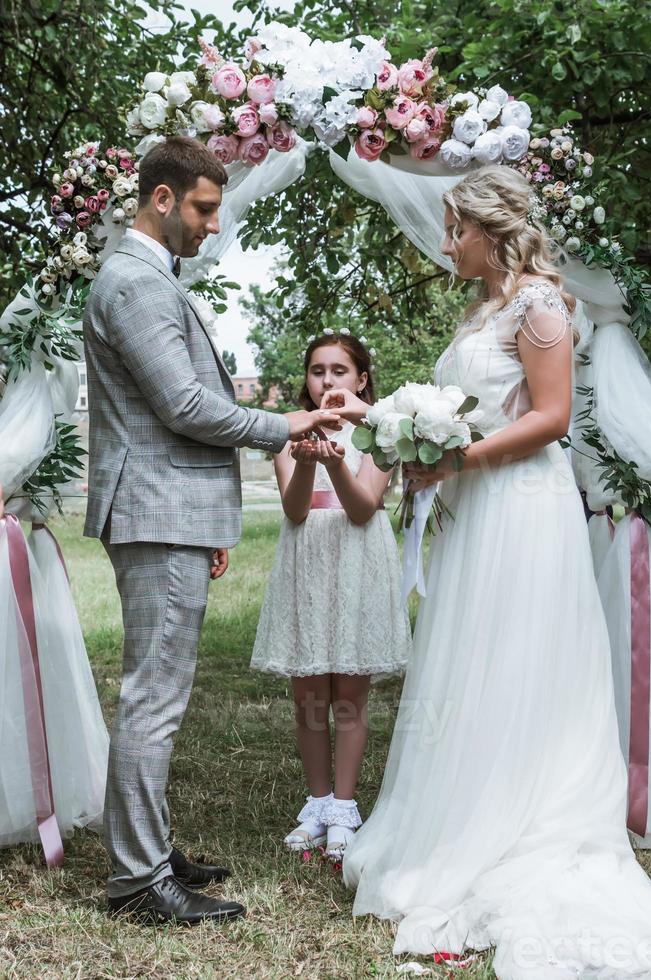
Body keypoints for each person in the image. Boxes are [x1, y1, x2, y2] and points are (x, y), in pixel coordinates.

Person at [323, 166, 651, 977]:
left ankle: (518, 821)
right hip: (478, 510)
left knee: (516, 661)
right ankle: (460, 812)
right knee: (472, 663)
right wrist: (404, 433)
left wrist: (454, 455)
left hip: (523, 511)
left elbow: (550, 419)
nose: (445, 244)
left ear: (491, 229)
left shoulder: (541, 306)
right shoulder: (485, 310)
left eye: (455, 230)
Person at [83, 136, 341, 925]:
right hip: (155, 509)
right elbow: (186, 407)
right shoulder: (134, 283)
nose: (211, 225)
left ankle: (151, 851)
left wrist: (209, 521)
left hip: (173, 510)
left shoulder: (149, 278)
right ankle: (137, 881)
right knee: (152, 696)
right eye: (201, 208)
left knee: (161, 689)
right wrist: (288, 422)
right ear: (162, 199)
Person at [251, 334, 411, 862]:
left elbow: (364, 508)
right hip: (308, 557)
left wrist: (336, 462)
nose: (327, 381)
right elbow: (295, 510)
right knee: (308, 690)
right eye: (318, 371)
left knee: (349, 689)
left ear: (361, 379)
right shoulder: (288, 434)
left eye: (340, 371)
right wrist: (304, 461)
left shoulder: (380, 434)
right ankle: (317, 802)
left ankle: (344, 805)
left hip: (357, 556)